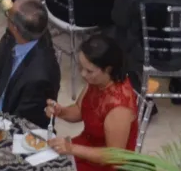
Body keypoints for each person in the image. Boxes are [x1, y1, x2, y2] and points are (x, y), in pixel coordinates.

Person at [44, 34, 139, 170]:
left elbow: (115, 158)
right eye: (81, 67)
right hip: (86, 146)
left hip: (104, 164)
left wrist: (71, 148)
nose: (83, 74)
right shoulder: (98, 81)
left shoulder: (119, 108)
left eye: (89, 71)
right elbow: (80, 110)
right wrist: (61, 112)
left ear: (108, 69)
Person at [0, 0, 62, 124]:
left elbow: (22, 123)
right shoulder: (33, 29)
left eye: (8, 15)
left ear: (15, 28)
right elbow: (6, 40)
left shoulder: (39, 79)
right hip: (2, 99)